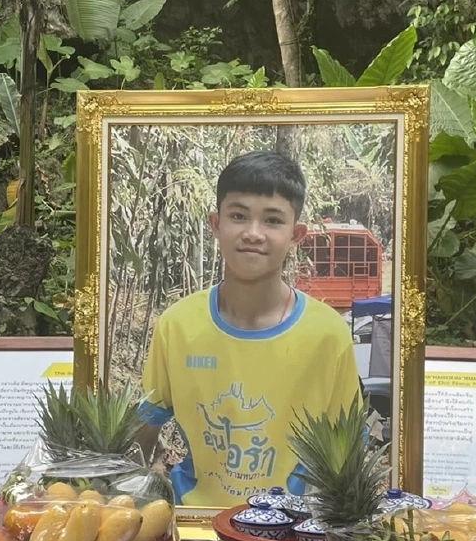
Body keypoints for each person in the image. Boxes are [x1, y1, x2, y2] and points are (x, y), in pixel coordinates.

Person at [137, 150, 364, 507]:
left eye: (273, 220)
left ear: (296, 234)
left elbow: (348, 450)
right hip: (196, 528)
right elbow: (144, 429)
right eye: (239, 216)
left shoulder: (327, 334)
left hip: (287, 531)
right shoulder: (177, 325)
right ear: (216, 224)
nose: (253, 233)